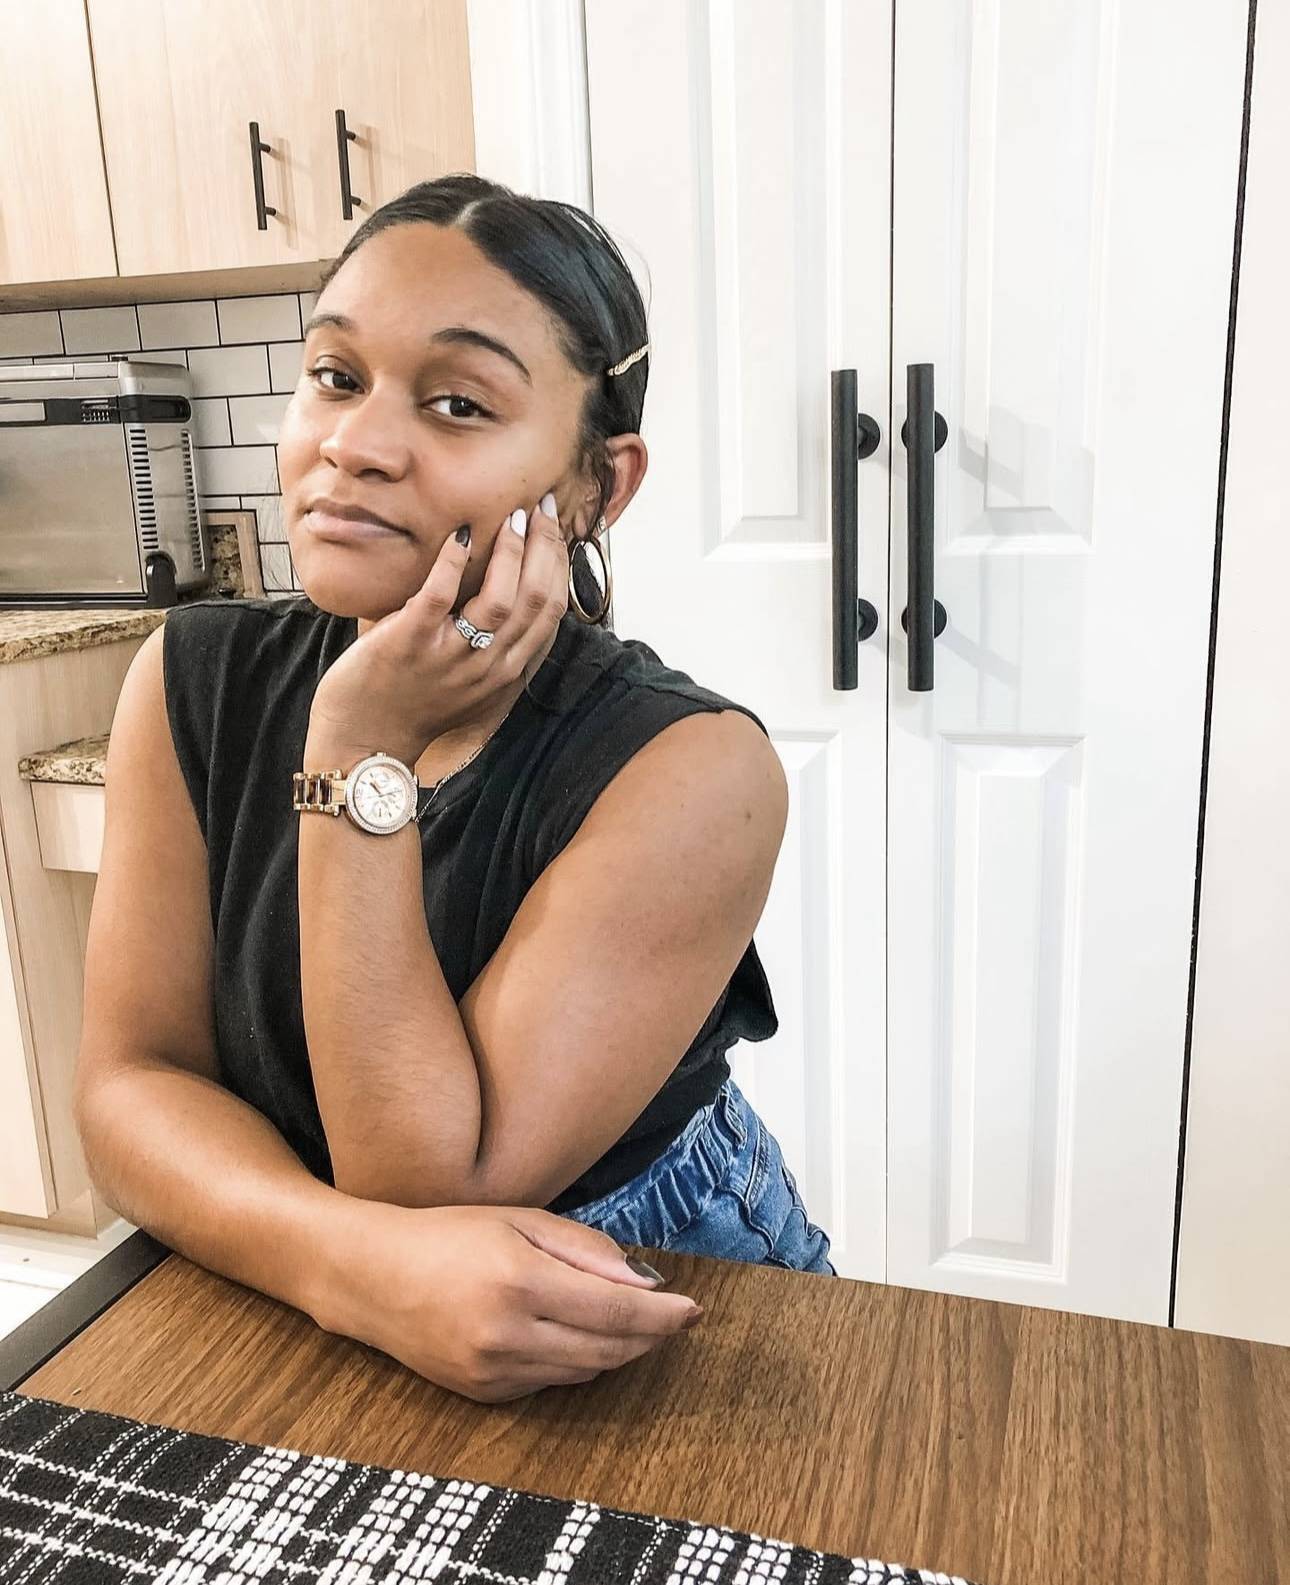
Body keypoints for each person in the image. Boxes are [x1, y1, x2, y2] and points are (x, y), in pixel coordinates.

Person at [75, 174, 834, 1407]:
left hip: (641, 1304)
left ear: (599, 486)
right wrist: (343, 1263)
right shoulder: (191, 676)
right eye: (335, 376)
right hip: (302, 1291)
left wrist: (358, 745)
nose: (355, 445)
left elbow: (428, 1188)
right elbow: (128, 1087)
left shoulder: (694, 769)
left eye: (458, 403)